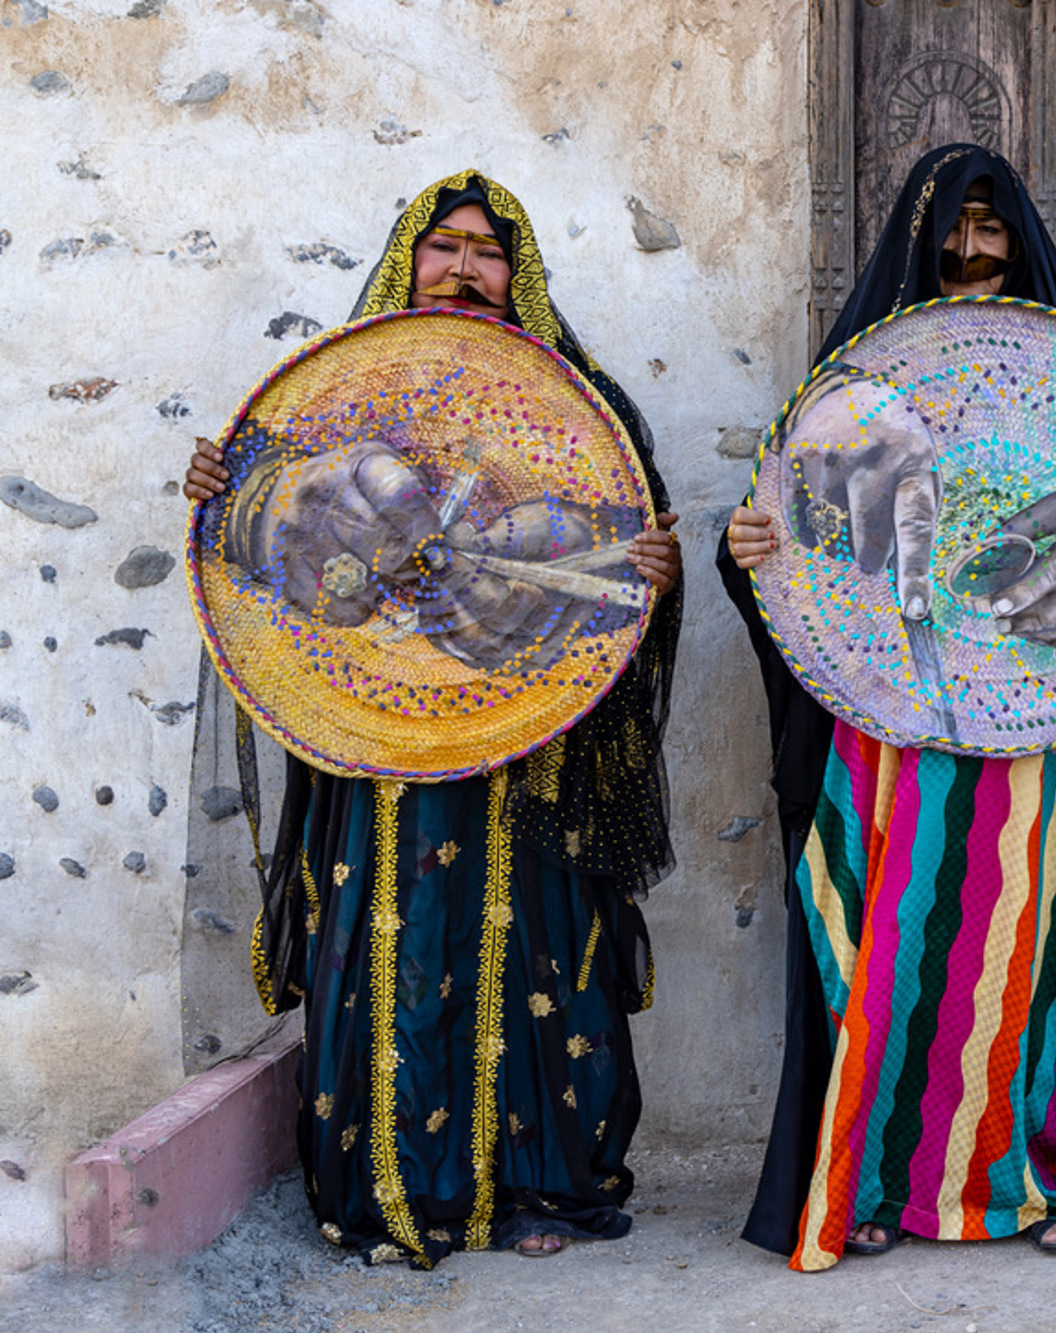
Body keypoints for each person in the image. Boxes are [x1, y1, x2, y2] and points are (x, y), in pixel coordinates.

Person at [721, 144, 1056, 1271]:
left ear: (1023, 246)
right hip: (887, 735)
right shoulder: (849, 398)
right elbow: (798, 560)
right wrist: (742, 546)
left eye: (990, 231)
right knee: (885, 945)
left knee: (1041, 950)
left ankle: (1048, 1172)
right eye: (950, 233)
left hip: (1049, 731)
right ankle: (869, 1178)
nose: (968, 252)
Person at [182, 170, 683, 1266]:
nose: (464, 267)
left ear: (521, 274)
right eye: (444, 245)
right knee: (395, 953)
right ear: (410, 257)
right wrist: (232, 490)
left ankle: (544, 1185)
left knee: (540, 955)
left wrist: (656, 565)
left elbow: (617, 567)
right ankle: (394, 1191)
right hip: (385, 746)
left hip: (536, 750)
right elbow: (271, 554)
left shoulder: (583, 412)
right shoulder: (334, 403)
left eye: (488, 251)